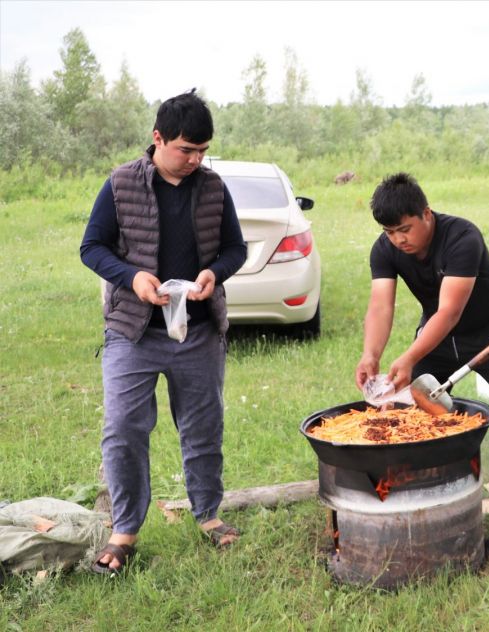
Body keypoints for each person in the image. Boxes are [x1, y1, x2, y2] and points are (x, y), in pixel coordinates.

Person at [80, 90, 248, 573]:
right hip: (133, 331)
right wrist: (132, 277)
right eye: (185, 149)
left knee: (203, 426)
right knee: (123, 429)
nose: (195, 160)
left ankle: (209, 516)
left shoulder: (214, 188)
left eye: (202, 150)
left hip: (196, 331)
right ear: (158, 138)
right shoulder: (121, 184)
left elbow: (235, 249)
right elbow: (92, 248)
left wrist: (216, 273)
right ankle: (126, 530)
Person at [355, 172, 489, 519]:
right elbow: (381, 305)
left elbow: (450, 311)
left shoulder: (461, 236)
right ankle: (426, 484)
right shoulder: (384, 250)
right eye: (389, 232)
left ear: (425, 214)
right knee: (417, 412)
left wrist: (410, 357)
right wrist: (372, 354)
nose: (398, 240)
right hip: (436, 339)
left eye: (405, 229)